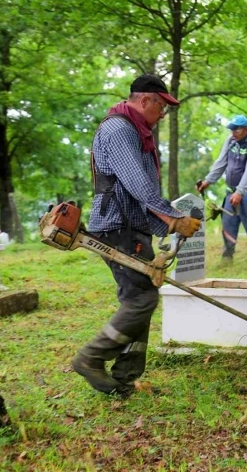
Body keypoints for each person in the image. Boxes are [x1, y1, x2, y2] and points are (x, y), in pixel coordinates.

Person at [72, 74, 202, 395]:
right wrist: (174, 220)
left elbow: (139, 195)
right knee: (142, 299)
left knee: (139, 298)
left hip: (131, 227)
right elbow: (137, 185)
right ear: (145, 101)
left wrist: (167, 227)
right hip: (117, 228)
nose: (162, 115)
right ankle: (91, 357)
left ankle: (122, 380)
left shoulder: (136, 131)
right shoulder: (119, 131)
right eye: (161, 107)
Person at [196, 115, 247, 260]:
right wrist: (208, 181)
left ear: (246, 129)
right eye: (231, 129)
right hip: (231, 191)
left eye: (237, 129)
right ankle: (227, 257)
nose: (233, 132)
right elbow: (221, 162)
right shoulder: (231, 142)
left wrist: (240, 192)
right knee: (228, 223)